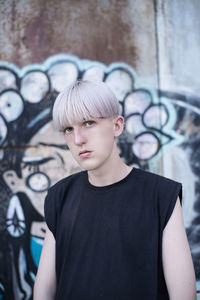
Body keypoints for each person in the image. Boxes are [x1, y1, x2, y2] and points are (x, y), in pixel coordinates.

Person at [33, 80, 196, 300]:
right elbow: (43, 294)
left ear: (117, 126)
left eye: (89, 123)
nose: (78, 139)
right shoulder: (60, 197)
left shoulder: (160, 195)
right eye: (69, 129)